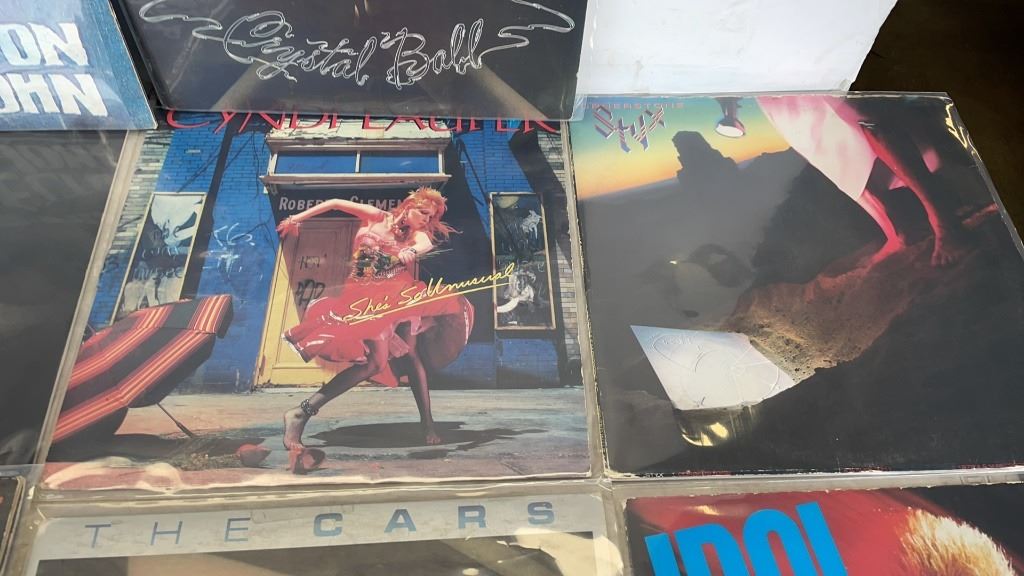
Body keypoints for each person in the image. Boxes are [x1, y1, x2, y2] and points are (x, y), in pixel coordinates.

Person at [276, 187, 473, 474]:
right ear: (409, 206)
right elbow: (335, 200)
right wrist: (297, 218)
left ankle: (427, 422)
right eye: (422, 213)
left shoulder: (418, 235)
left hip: (395, 296)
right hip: (360, 296)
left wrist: (410, 251)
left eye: (430, 218)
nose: (425, 220)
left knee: (407, 356)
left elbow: (424, 245)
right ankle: (300, 412)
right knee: (374, 362)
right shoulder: (376, 217)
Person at [754, 95, 967, 267]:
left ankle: (943, 220)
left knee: (864, 118)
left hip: (807, 66)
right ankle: (896, 231)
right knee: (822, 145)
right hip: (769, 78)